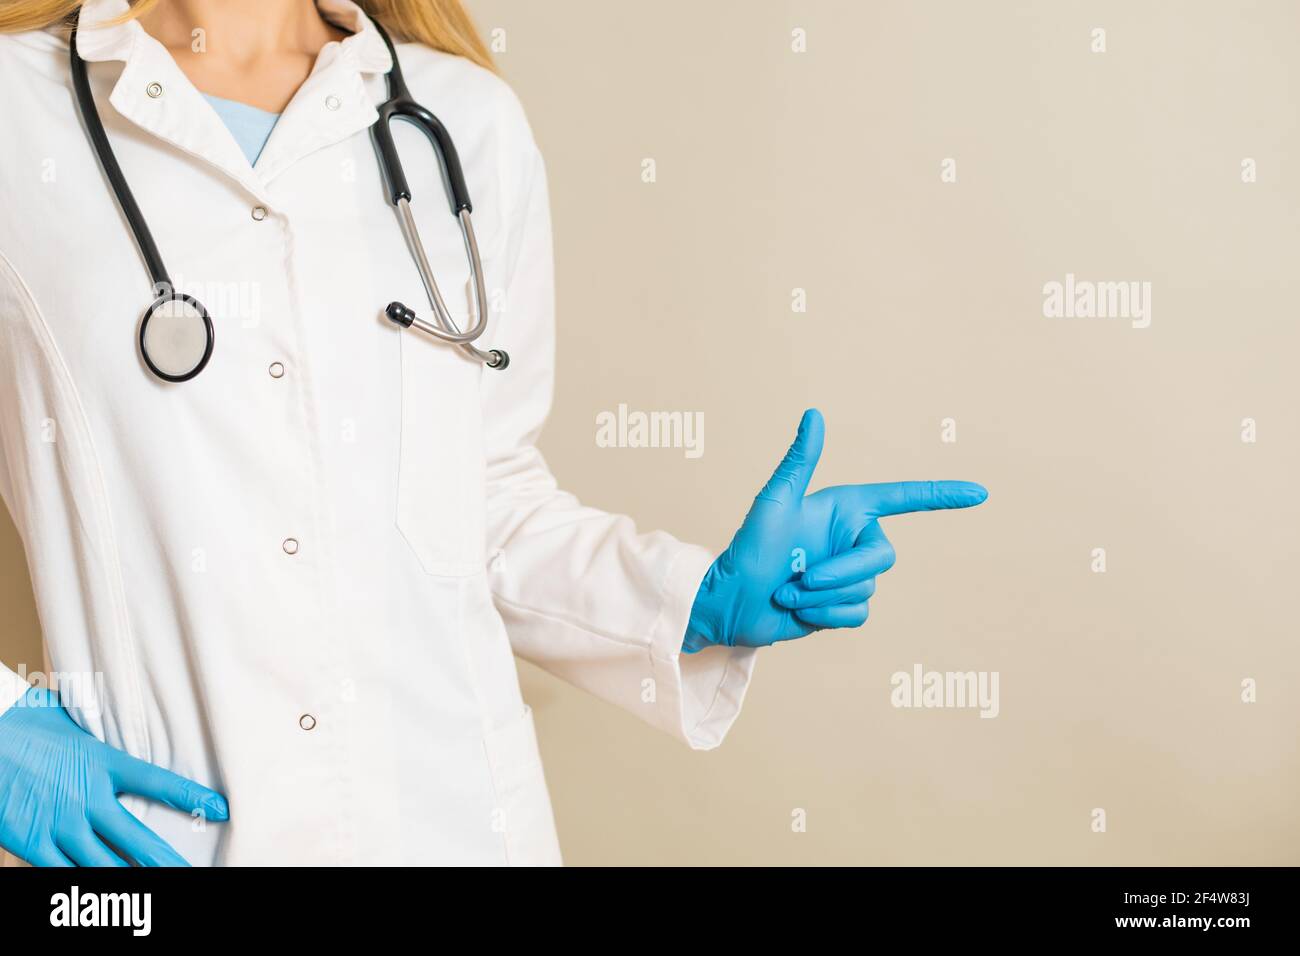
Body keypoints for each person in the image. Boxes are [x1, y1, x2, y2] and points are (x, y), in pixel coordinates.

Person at [0, 0, 987, 866]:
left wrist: (698, 599)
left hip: (455, 823)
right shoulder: (19, 109)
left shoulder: (463, 122)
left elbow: (486, 504)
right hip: (161, 841)